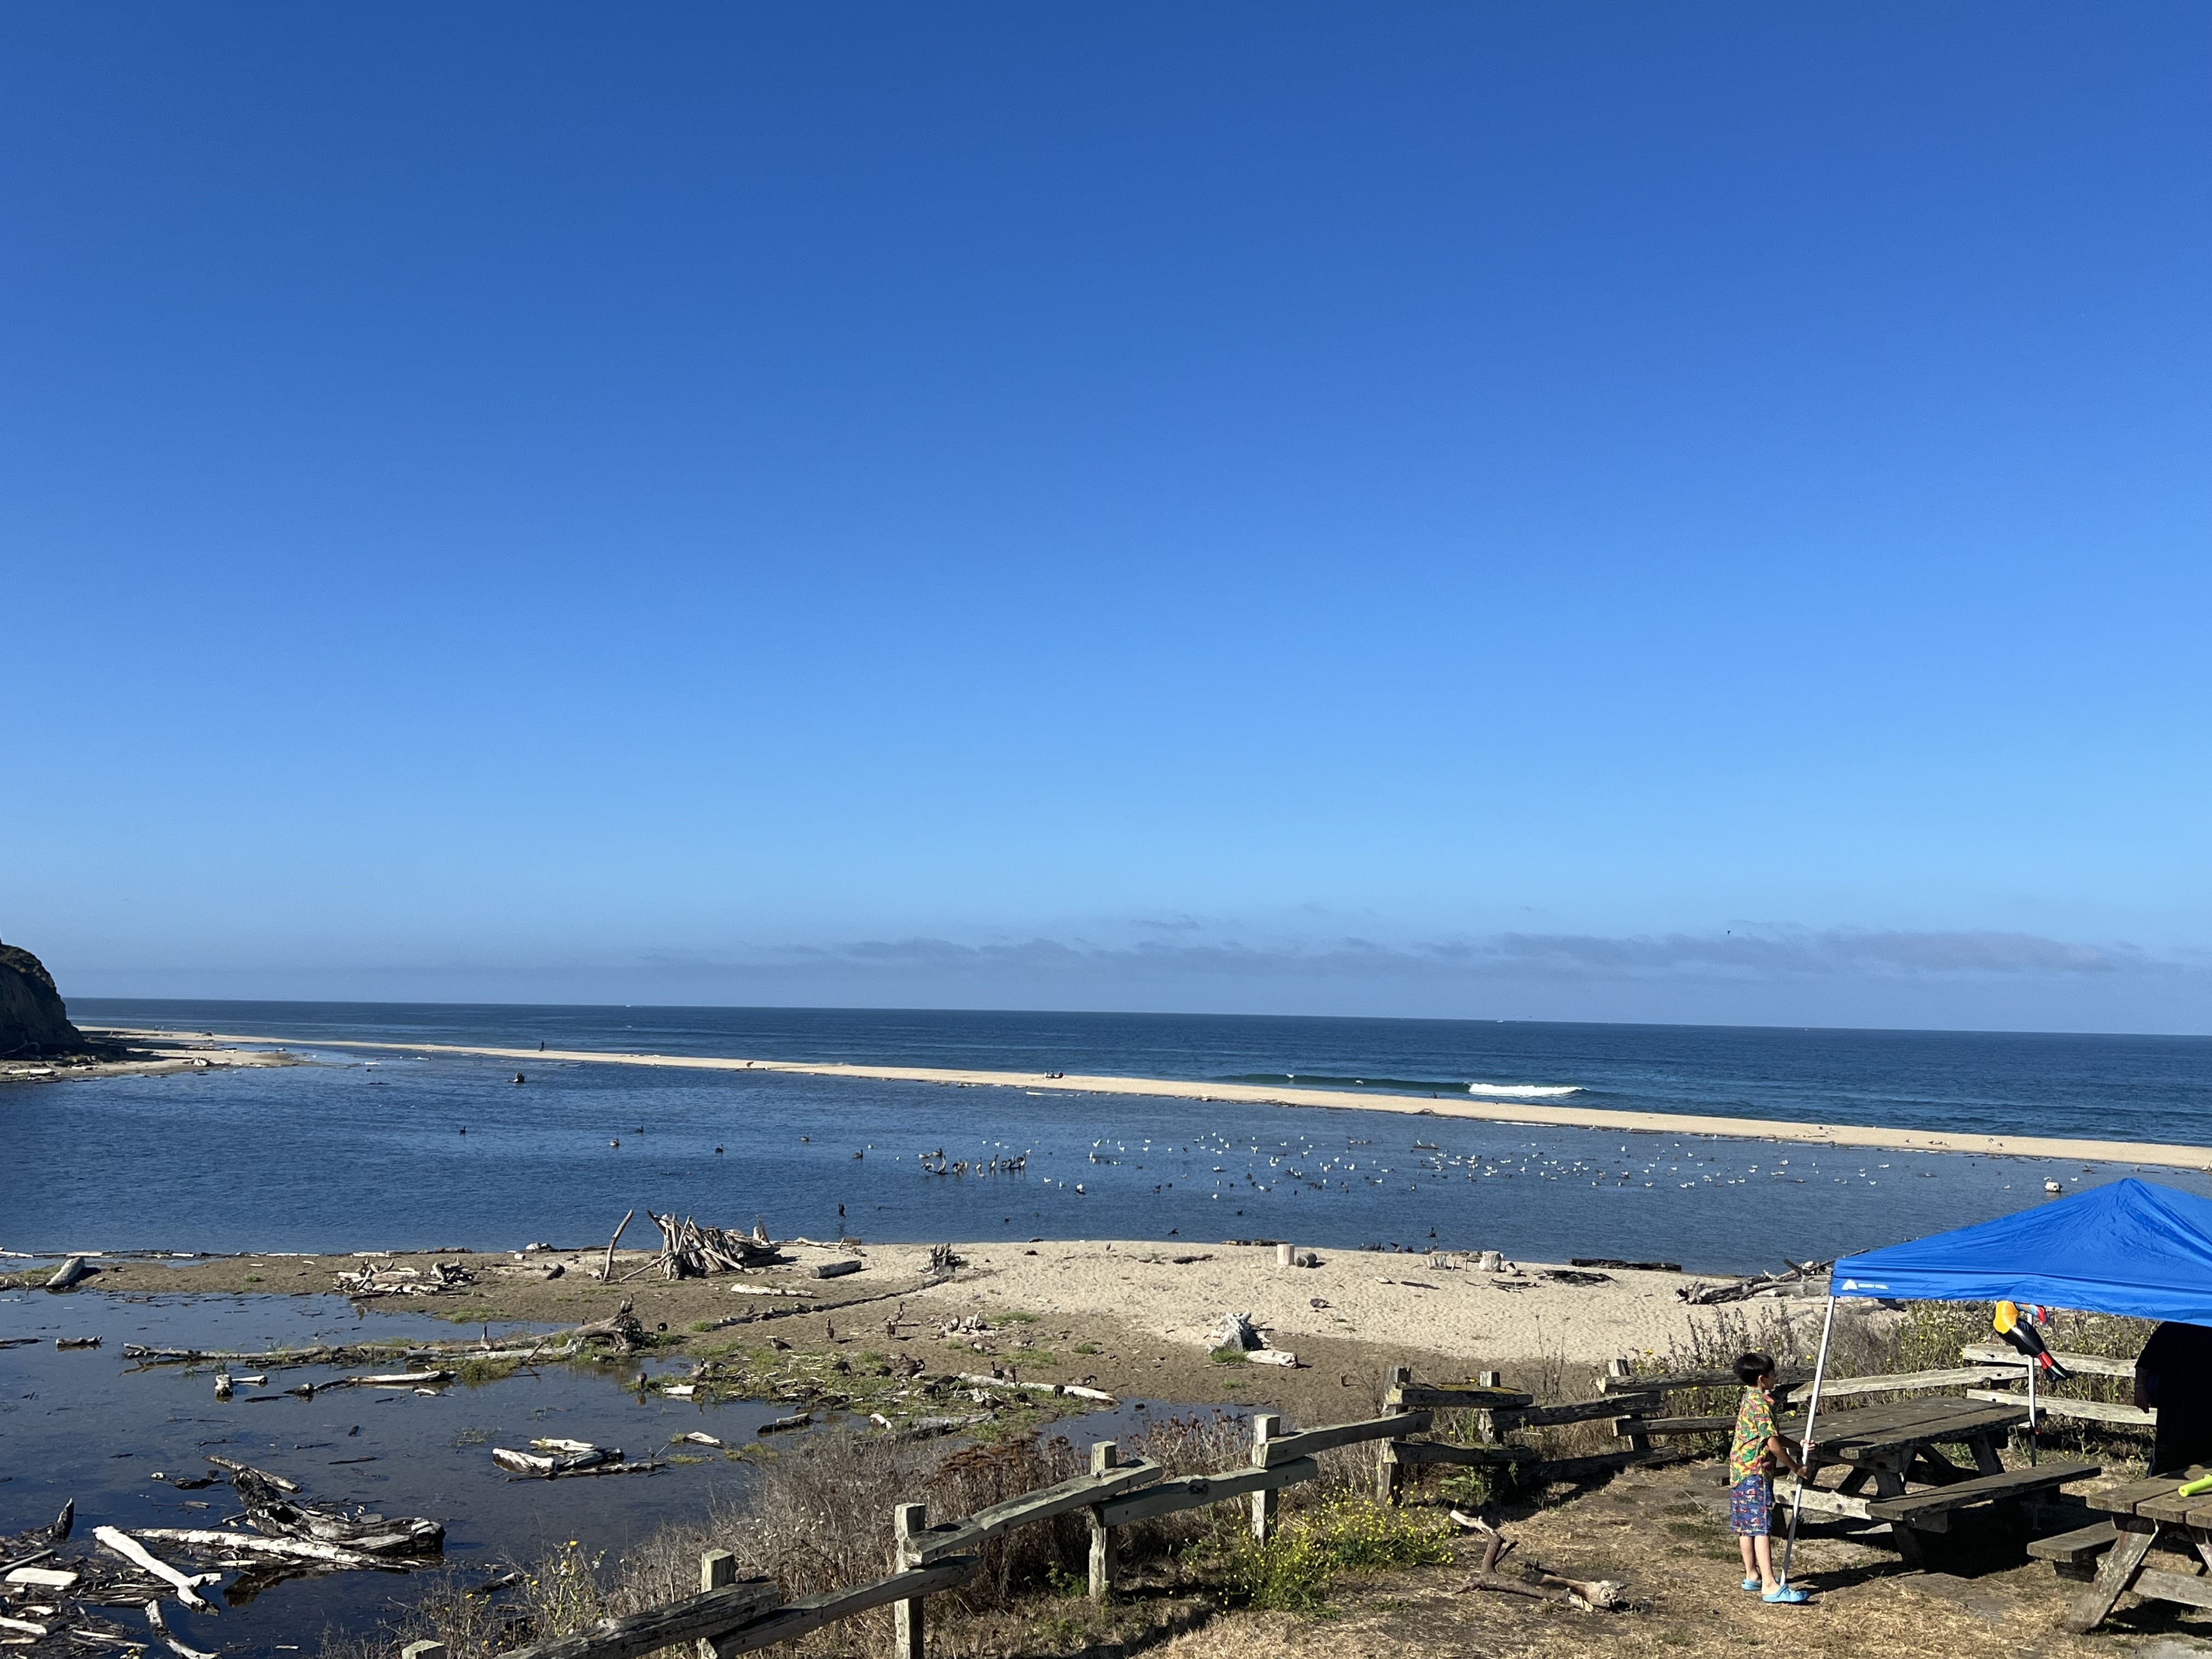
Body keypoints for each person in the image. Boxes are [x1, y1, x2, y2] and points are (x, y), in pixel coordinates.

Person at [1729, 1351, 1810, 1604]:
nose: (1777, 1377)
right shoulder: (1762, 1405)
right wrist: (1796, 1467)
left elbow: (1770, 1435)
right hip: (1755, 1473)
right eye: (1774, 1374)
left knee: (1747, 1527)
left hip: (1739, 1472)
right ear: (1763, 1379)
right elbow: (1773, 1444)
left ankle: (1752, 1575)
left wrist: (1799, 1446)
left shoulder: (1749, 1399)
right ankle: (1770, 1585)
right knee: (1762, 1528)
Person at [2135, 1322, 2212, 1476]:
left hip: (2207, 1427)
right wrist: (2140, 1389)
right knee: (2161, 1478)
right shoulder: (2171, 1328)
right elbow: (2144, 1364)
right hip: (2173, 1423)